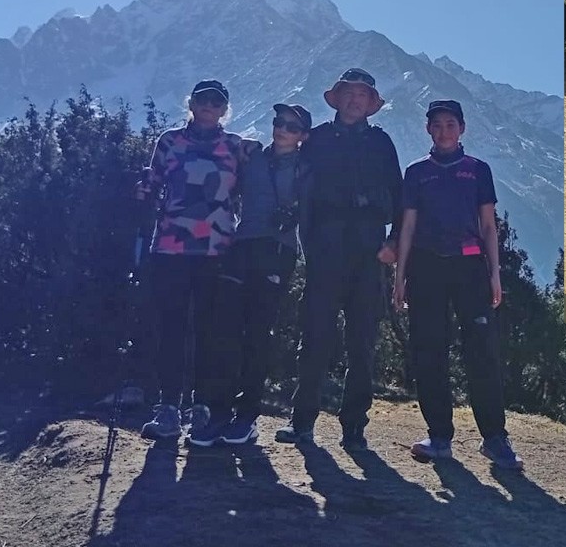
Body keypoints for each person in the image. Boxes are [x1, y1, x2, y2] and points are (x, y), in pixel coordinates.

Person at [392, 100, 523, 471]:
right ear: (428, 130)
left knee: (483, 351)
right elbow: (408, 228)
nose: (444, 130)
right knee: (429, 352)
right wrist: (399, 277)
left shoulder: (478, 170)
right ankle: (439, 436)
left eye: (451, 124)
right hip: (426, 268)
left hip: (470, 268)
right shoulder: (416, 173)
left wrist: (494, 273)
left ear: (462, 128)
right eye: (437, 124)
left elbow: (488, 226)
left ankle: (495, 438)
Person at [275, 68, 401, 450]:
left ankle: (354, 430)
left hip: (368, 250)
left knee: (362, 342)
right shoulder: (316, 141)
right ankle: (302, 423)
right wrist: (308, 244)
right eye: (349, 92)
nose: (355, 99)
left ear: (370, 103)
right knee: (315, 337)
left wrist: (394, 242)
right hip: (326, 249)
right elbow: (300, 190)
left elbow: (399, 197)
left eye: (362, 94)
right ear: (339, 96)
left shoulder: (382, 144)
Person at [186, 103, 313, 447]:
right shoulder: (252, 155)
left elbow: (316, 206)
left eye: (291, 126)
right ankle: (217, 413)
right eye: (278, 122)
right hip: (241, 247)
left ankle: (247, 417)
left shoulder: (306, 168)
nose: (282, 129)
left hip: (278, 252)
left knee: (258, 332)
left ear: (303, 136)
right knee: (224, 329)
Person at [138, 79, 243, 440]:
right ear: (192, 104)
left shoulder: (235, 147)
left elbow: (247, 191)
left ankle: (200, 407)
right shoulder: (168, 142)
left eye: (217, 101)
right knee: (171, 328)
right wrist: (141, 188)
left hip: (216, 251)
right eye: (203, 100)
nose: (209, 106)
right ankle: (168, 407)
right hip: (170, 248)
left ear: (224, 108)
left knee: (208, 332)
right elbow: (152, 182)